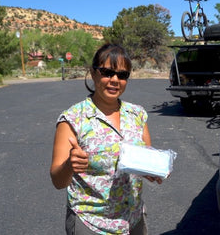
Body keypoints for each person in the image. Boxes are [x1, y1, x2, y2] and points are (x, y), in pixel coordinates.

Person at [50, 43, 162, 235]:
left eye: (122, 75)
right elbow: (58, 181)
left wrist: (152, 170)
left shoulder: (137, 114)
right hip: (92, 224)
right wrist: (70, 164)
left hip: (133, 221)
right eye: (107, 72)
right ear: (93, 74)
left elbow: (144, 160)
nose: (115, 80)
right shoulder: (73, 118)